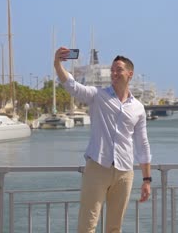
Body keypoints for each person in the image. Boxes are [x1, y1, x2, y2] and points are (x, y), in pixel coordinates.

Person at [54, 47, 152, 232]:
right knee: (87, 226)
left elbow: (142, 144)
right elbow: (73, 86)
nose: (114, 73)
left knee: (115, 228)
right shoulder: (98, 95)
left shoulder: (138, 107)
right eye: (112, 70)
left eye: (119, 69)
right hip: (97, 168)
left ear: (130, 74)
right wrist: (57, 64)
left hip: (124, 172)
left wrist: (147, 179)